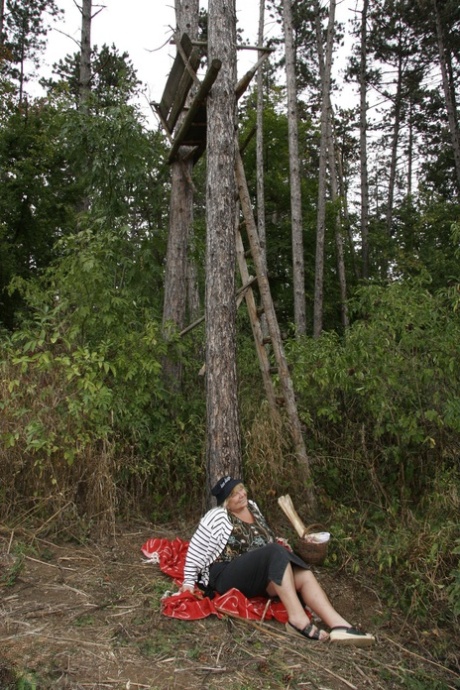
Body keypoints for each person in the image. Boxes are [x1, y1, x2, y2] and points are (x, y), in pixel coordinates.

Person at [179, 476, 375, 646]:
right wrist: (188, 581)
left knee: (301, 572)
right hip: (226, 574)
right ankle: (297, 620)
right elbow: (196, 550)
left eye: (241, 489)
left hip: (255, 574)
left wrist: (278, 543)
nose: (241, 495)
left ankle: (339, 625)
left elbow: (265, 538)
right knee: (274, 551)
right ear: (225, 503)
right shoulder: (217, 517)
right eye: (234, 495)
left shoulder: (253, 507)